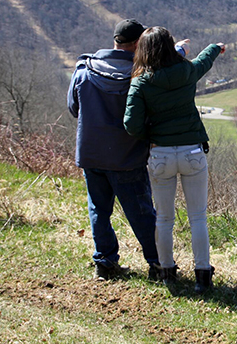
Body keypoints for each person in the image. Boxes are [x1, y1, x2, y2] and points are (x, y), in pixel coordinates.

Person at [67, 19, 188, 281]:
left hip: (91, 154)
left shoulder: (84, 70)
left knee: (99, 209)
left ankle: (105, 263)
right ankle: (159, 265)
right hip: (127, 156)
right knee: (142, 213)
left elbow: (74, 108)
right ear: (137, 44)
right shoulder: (139, 76)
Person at [123, 26, 225, 293]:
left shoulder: (141, 81)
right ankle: (203, 275)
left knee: (164, 219)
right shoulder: (186, 72)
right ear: (171, 48)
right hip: (192, 153)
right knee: (198, 218)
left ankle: (167, 273)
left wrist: (153, 135)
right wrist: (215, 47)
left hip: (161, 155)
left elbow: (131, 125)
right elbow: (203, 61)